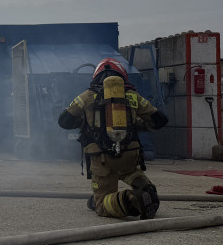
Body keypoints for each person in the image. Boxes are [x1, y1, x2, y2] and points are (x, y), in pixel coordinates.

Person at [58, 58, 168, 219]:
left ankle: (132, 199)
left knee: (102, 206)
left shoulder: (87, 96)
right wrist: (136, 125)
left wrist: (85, 121)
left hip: (102, 159)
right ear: (123, 76)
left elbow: (64, 121)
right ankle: (146, 190)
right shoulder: (132, 96)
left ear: (96, 76)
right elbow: (160, 120)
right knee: (129, 171)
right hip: (129, 156)